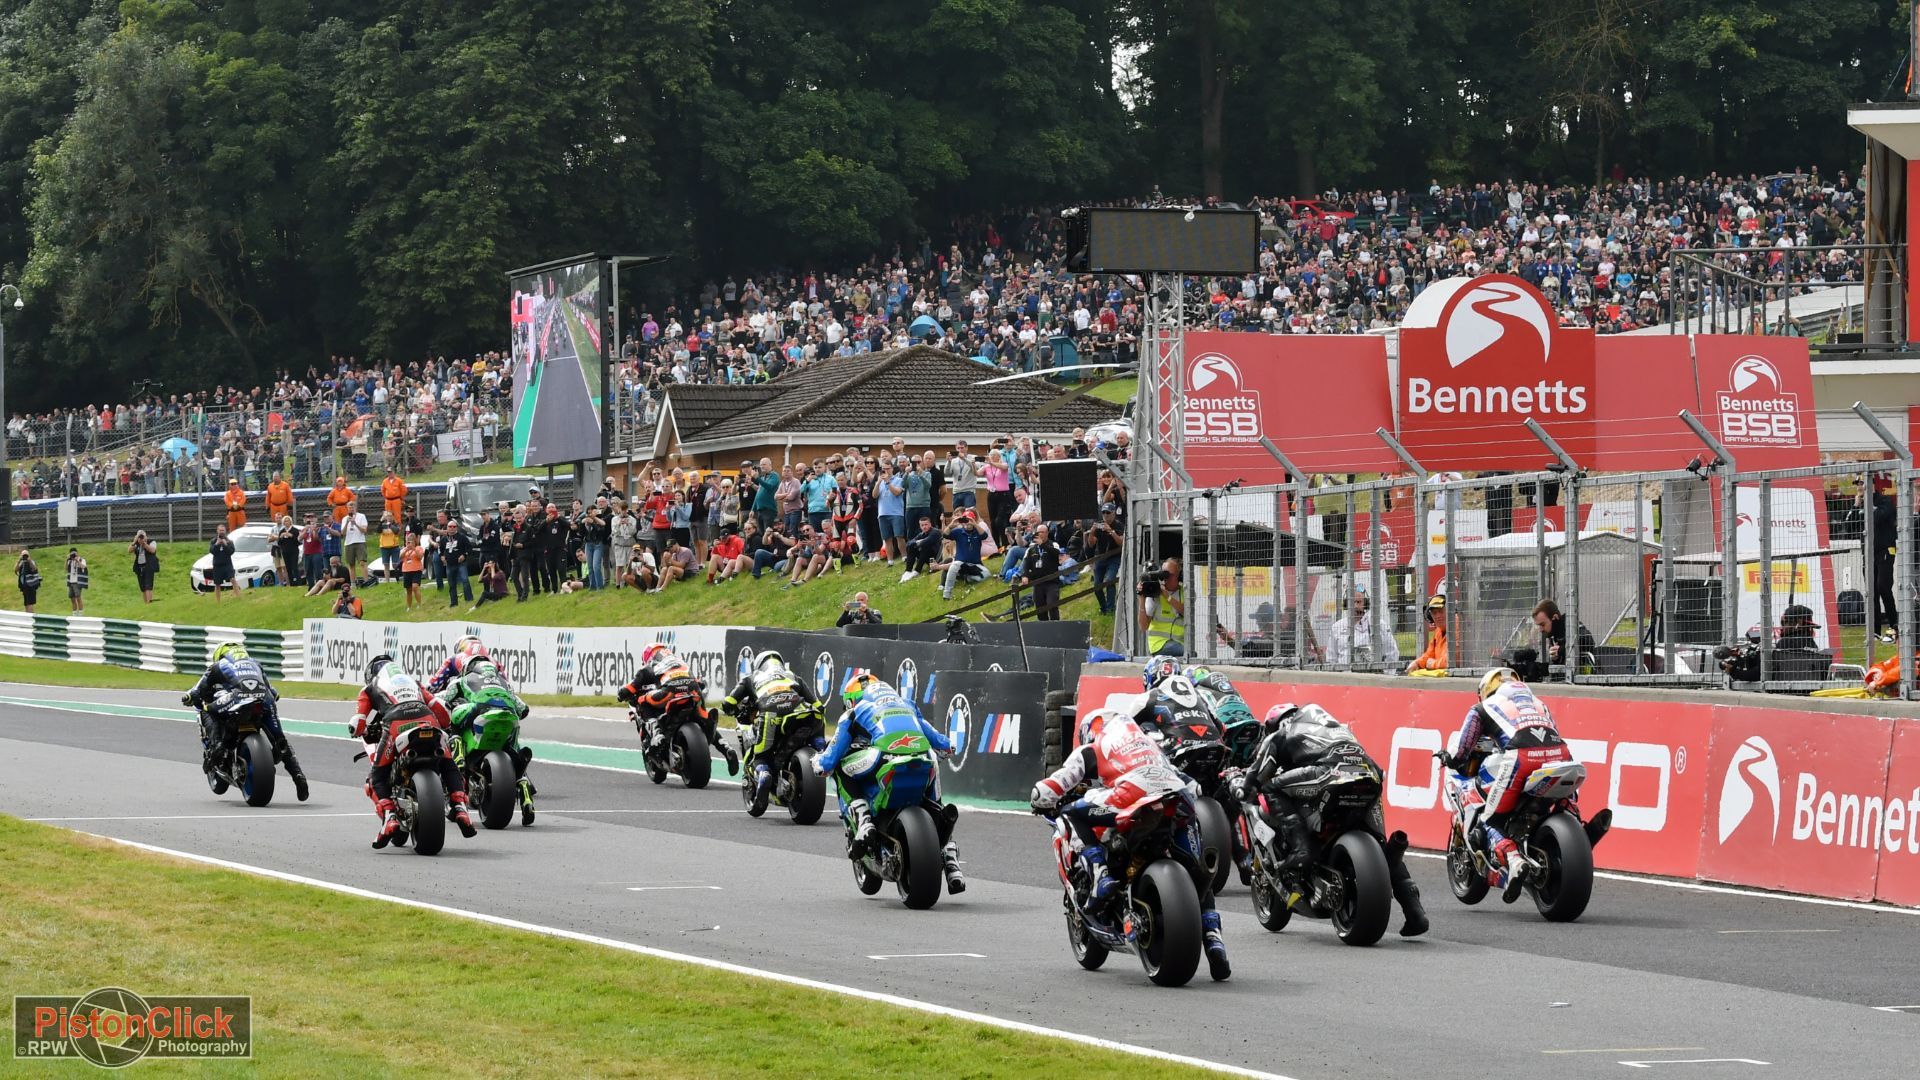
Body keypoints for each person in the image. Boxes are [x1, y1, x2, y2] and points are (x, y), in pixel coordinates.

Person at [1029, 708, 1230, 981]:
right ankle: (1213, 936)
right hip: (1176, 797)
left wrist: (1039, 797)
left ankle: (1100, 872)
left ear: (1090, 731)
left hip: (1131, 795)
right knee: (1196, 872)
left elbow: (1053, 787)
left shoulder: (1093, 747)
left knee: (1070, 814)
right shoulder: (1149, 743)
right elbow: (1194, 787)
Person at [1229, 703, 1428, 937]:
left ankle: (1302, 847)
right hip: (1369, 776)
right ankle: (1415, 912)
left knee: (1273, 788)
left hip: (1329, 773)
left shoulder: (1282, 732)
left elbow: (1258, 773)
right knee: (1382, 849)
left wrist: (1242, 787)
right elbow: (1378, 769)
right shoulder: (1336, 727)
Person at [1441, 668, 1608, 902]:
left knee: (1490, 820)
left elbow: (1463, 748)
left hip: (1521, 759)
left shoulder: (1483, 708)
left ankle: (1514, 859)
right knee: (1559, 800)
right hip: (1561, 755)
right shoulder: (1538, 703)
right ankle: (1576, 824)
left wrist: (1452, 759)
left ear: (1486, 691)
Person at [814, 673, 965, 894]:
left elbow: (827, 762)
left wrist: (816, 762)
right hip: (922, 757)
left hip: (882, 757)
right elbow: (944, 746)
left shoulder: (854, 711)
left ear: (851, 699)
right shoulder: (907, 704)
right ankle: (949, 853)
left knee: (840, 768)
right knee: (934, 783)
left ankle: (864, 820)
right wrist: (947, 748)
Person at [349, 654, 476, 848]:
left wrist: (358, 730)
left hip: (396, 724)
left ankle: (389, 817)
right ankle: (460, 807)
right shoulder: (413, 682)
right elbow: (440, 710)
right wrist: (444, 726)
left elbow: (358, 723)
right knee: (448, 764)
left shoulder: (369, 688)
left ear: (371, 673)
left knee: (376, 777)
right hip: (428, 720)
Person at [184, 640, 309, 802]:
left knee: (207, 710)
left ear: (219, 655)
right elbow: (273, 692)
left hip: (236, 699)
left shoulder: (217, 666)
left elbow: (197, 690)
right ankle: (299, 777)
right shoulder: (255, 664)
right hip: (264, 700)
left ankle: (217, 749)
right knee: (280, 741)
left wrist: (188, 697)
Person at [430, 639, 536, 824]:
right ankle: (526, 797)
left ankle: (459, 760)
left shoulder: (462, 679)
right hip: (508, 715)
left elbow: (443, 698)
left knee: (453, 722)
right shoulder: (505, 684)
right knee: (514, 749)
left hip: (478, 710)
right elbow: (524, 709)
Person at [617, 643, 740, 773]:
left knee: (643, 701)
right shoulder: (679, 662)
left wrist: (621, 694)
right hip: (693, 691)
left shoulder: (650, 666)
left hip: (669, 692)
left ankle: (657, 735)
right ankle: (726, 748)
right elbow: (700, 683)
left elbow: (631, 688)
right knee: (702, 720)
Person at [721, 649, 823, 805]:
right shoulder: (794, 677)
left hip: (771, 714)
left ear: (758, 665)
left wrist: (734, 711)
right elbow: (818, 706)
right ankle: (821, 749)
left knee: (760, 757)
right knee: (817, 716)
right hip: (800, 710)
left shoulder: (751, 678)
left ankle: (764, 774)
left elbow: (728, 702)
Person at [1326, 588, 1398, 668]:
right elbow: (1331, 658)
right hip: (1345, 676)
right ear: (1346, 604)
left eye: (1359, 602)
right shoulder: (1337, 627)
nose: (1355, 606)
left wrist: (1386, 675)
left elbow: (1392, 653)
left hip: (1372, 676)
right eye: (1352, 602)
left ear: (1365, 604)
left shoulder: (1379, 625)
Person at [1531, 598, 1594, 675]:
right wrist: (1555, 659)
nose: (1540, 629)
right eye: (1539, 625)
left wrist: (1561, 650)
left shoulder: (1570, 624)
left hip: (1580, 680)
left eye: (1543, 624)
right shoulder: (1553, 634)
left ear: (1555, 618)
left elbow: (1588, 640)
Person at [1138, 556, 1187, 656]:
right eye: (1164, 574)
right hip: (1159, 644)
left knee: (1189, 652)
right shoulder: (1155, 593)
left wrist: (1167, 596)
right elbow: (1144, 626)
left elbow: (1186, 612)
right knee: (1187, 652)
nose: (1166, 578)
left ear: (1179, 576)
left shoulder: (1185, 592)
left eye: (1170, 575)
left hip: (1179, 643)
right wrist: (1142, 598)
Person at [937, 510, 988, 601]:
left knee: (987, 575)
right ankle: (947, 594)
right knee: (954, 565)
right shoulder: (958, 531)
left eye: (969, 520)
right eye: (965, 520)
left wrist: (974, 524)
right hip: (960, 563)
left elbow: (984, 536)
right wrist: (951, 525)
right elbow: (945, 534)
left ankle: (967, 578)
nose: (967, 523)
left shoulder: (977, 531)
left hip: (975, 564)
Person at [1018, 522, 1063, 620]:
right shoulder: (1031, 549)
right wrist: (1025, 575)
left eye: (1042, 532)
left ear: (1047, 533)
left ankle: (1056, 628)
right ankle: (1044, 630)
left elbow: (1057, 555)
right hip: (1037, 583)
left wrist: (1043, 545)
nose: (1040, 534)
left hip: (1051, 582)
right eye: (1038, 532)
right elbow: (1026, 563)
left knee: (1052, 605)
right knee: (1040, 609)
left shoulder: (1053, 544)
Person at [1407, 594, 1448, 674]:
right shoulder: (1438, 632)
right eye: (1434, 613)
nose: (1438, 616)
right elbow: (1429, 654)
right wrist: (1417, 663)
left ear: (1449, 611)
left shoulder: (1458, 628)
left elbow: (1453, 661)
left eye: (1441, 611)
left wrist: (1433, 664)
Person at [341, 500, 369, 582]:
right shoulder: (344, 519)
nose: (351, 509)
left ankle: (366, 581)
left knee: (362, 562)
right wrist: (347, 522)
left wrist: (355, 523)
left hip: (360, 541)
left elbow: (364, 530)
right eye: (349, 507)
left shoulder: (361, 516)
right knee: (351, 564)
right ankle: (353, 583)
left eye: (352, 507)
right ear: (347, 508)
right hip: (349, 543)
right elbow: (343, 533)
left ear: (355, 507)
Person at [129, 530, 159, 603]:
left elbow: (152, 550)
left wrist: (144, 544)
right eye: (140, 536)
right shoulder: (136, 543)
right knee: (142, 587)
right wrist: (134, 542)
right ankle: (146, 603)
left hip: (149, 566)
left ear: (146, 536)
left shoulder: (152, 542)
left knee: (148, 585)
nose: (141, 538)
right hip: (139, 567)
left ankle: (149, 603)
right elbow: (129, 551)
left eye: (143, 536)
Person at [205, 529, 234, 603]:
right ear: (217, 531)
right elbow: (212, 551)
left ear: (225, 531)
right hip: (217, 565)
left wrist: (225, 544)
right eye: (220, 530)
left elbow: (231, 552)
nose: (221, 532)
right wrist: (216, 544)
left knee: (233, 579)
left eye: (223, 530)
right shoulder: (213, 541)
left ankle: (238, 597)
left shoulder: (229, 541)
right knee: (217, 584)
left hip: (227, 564)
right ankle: (218, 602)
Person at [399, 531, 424, 609]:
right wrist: (406, 549)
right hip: (406, 570)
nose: (409, 543)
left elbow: (420, 557)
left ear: (415, 541)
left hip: (416, 570)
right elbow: (400, 557)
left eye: (411, 541)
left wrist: (414, 549)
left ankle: (419, 604)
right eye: (408, 541)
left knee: (415, 587)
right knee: (408, 589)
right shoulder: (404, 549)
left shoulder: (419, 548)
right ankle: (409, 606)